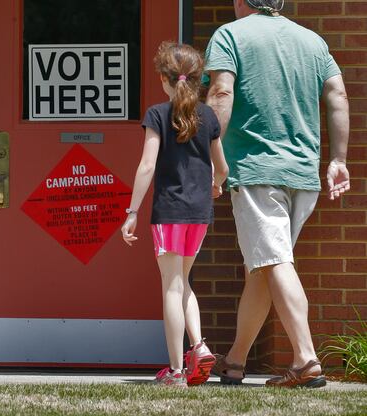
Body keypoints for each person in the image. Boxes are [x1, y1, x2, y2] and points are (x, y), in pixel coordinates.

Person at [204, 0, 350, 388]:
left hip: (256, 171)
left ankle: (305, 359)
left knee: (274, 261)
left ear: (241, 2)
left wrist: (206, 155)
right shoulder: (313, 41)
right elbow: (337, 95)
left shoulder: (230, 35)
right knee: (265, 268)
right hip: (303, 174)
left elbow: (220, 92)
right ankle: (235, 361)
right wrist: (338, 159)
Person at [121, 41, 228, 387]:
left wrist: (131, 211)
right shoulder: (208, 116)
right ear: (198, 80)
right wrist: (216, 185)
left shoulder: (157, 114)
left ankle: (176, 371)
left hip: (169, 211)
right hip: (199, 212)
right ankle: (198, 346)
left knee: (171, 286)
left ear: (165, 80)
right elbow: (221, 167)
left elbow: (146, 165)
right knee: (184, 281)